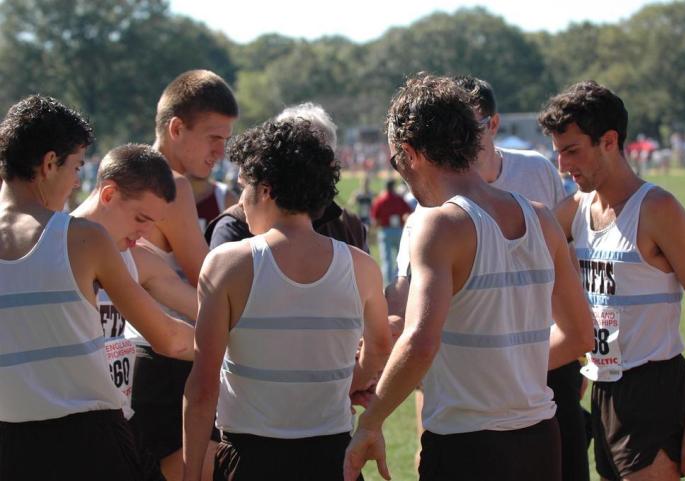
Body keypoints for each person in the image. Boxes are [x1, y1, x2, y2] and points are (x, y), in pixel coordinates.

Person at [343, 74, 592, 481]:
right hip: (541, 438)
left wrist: (371, 421)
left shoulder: (439, 224)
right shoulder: (542, 218)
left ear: (410, 152)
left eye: (395, 161)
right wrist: (509, 366)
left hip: (468, 444)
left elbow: (421, 342)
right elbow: (581, 334)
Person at [183, 119, 392, 481]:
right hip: (333, 457)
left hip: (251, 458)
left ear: (265, 190)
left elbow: (202, 387)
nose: (240, 202)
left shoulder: (228, 264)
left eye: (243, 188)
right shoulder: (362, 266)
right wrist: (350, 383)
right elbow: (380, 346)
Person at [0, 96, 193, 480]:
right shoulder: (82, 239)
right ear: (49, 162)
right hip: (87, 441)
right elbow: (169, 338)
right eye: (75, 166)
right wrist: (233, 350)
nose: (76, 181)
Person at [540, 80, 685, 480]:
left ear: (609, 141)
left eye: (572, 151)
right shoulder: (576, 207)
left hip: (653, 387)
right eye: (557, 153)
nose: (562, 166)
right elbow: (525, 246)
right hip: (603, 385)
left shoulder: (657, 208)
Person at [131, 69, 238, 481]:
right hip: (168, 361)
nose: (220, 152)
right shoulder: (168, 185)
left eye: (226, 141)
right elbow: (211, 282)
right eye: (214, 137)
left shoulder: (124, 173)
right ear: (176, 128)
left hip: (139, 358)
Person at [206, 102, 368, 253]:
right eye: (295, 159)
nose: (305, 170)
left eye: (315, 160)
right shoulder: (234, 226)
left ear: (331, 166)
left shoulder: (347, 225)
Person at [371, 178, 411, 284]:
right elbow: (407, 213)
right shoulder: (398, 198)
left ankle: (388, 284)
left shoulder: (380, 200)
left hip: (385, 231)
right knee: (401, 259)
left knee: (386, 260)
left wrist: (376, 229)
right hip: (398, 231)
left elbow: (375, 219)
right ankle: (402, 282)